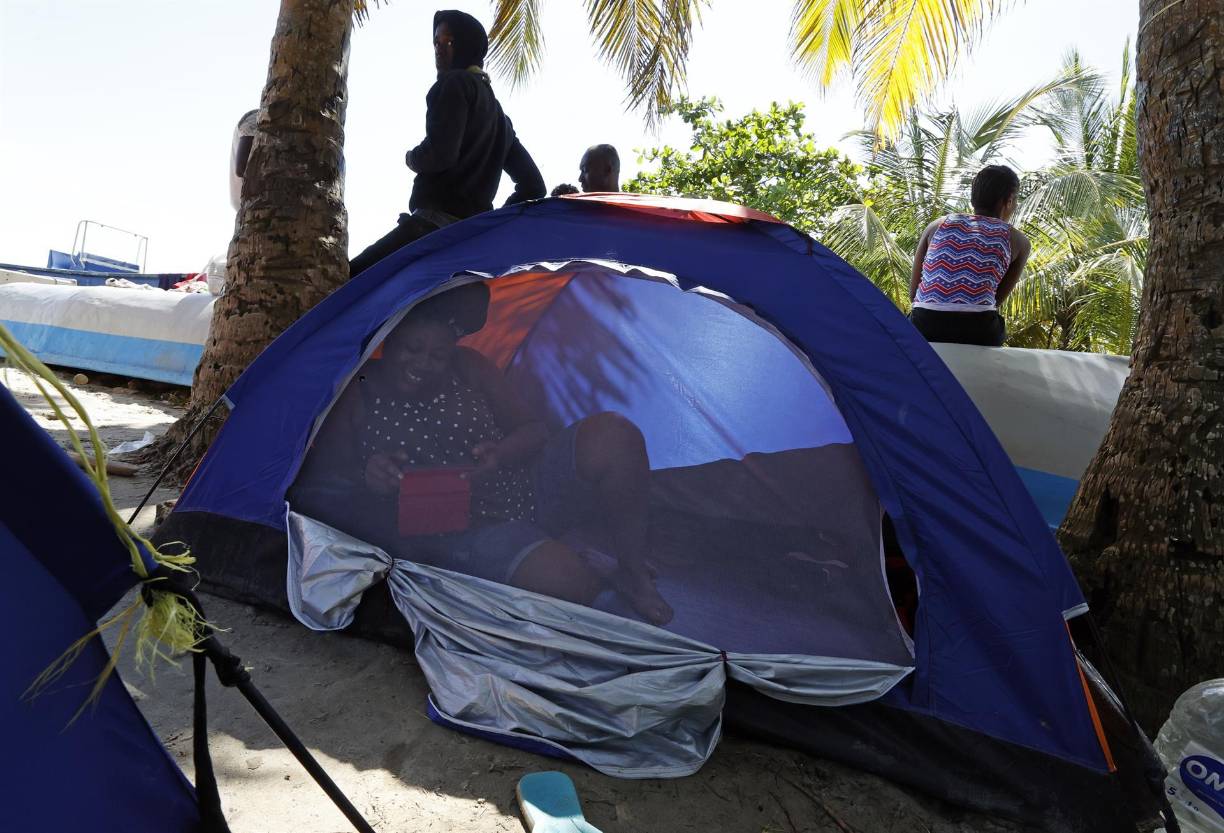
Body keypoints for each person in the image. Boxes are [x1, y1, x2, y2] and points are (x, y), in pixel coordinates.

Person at [317, 283, 673, 625]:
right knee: (571, 583)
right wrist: (369, 474)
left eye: (438, 355)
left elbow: (534, 429)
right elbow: (324, 480)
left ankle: (631, 570)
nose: (423, 363)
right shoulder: (359, 390)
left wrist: (500, 454)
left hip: (523, 489)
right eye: (412, 349)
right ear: (388, 340)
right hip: (461, 530)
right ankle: (569, 560)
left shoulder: (469, 367)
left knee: (614, 433)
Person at [349, 11, 546, 278]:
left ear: (466, 46)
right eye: (436, 43)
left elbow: (441, 155)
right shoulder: (501, 119)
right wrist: (489, 223)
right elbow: (534, 185)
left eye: (449, 42)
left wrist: (412, 157)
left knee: (348, 281)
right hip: (468, 245)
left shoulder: (455, 84)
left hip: (429, 230)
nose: (439, 50)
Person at [909, 165, 1031, 346]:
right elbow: (995, 301)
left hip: (923, 324)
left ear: (974, 198)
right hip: (979, 329)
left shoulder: (937, 225)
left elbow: (914, 294)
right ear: (1009, 201)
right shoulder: (1018, 240)